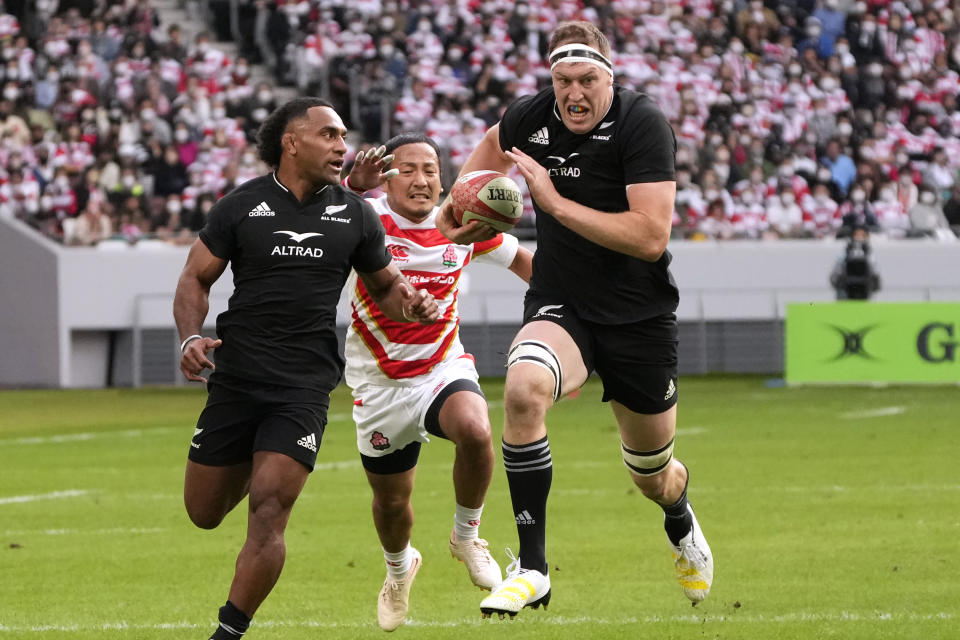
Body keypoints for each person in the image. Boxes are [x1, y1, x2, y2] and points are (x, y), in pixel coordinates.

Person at [436, 21, 714, 618]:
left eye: (587, 79)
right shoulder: (529, 118)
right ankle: (533, 569)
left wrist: (553, 202)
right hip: (562, 301)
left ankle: (679, 513)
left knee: (652, 473)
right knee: (522, 388)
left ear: (609, 77)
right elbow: (470, 182)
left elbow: (648, 236)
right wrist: (455, 217)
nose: (574, 93)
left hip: (638, 315)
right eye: (563, 80)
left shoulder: (642, 124)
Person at [173, 97, 439, 640]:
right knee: (203, 512)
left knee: (271, 507)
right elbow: (195, 278)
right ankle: (257, 455)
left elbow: (386, 286)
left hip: (303, 385)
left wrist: (410, 301)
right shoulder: (240, 206)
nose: (343, 145)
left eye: (344, 136)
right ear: (292, 142)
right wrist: (190, 337)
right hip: (237, 379)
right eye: (330, 135)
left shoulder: (354, 212)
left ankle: (228, 632)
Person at [341, 134, 534, 631]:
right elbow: (315, 215)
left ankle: (466, 537)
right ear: (387, 177)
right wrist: (348, 188)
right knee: (392, 503)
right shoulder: (365, 220)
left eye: (430, 169)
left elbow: (531, 266)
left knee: (475, 428)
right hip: (378, 383)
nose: (421, 179)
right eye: (407, 168)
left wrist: (572, 311)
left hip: (440, 367)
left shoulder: (465, 224)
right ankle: (399, 569)